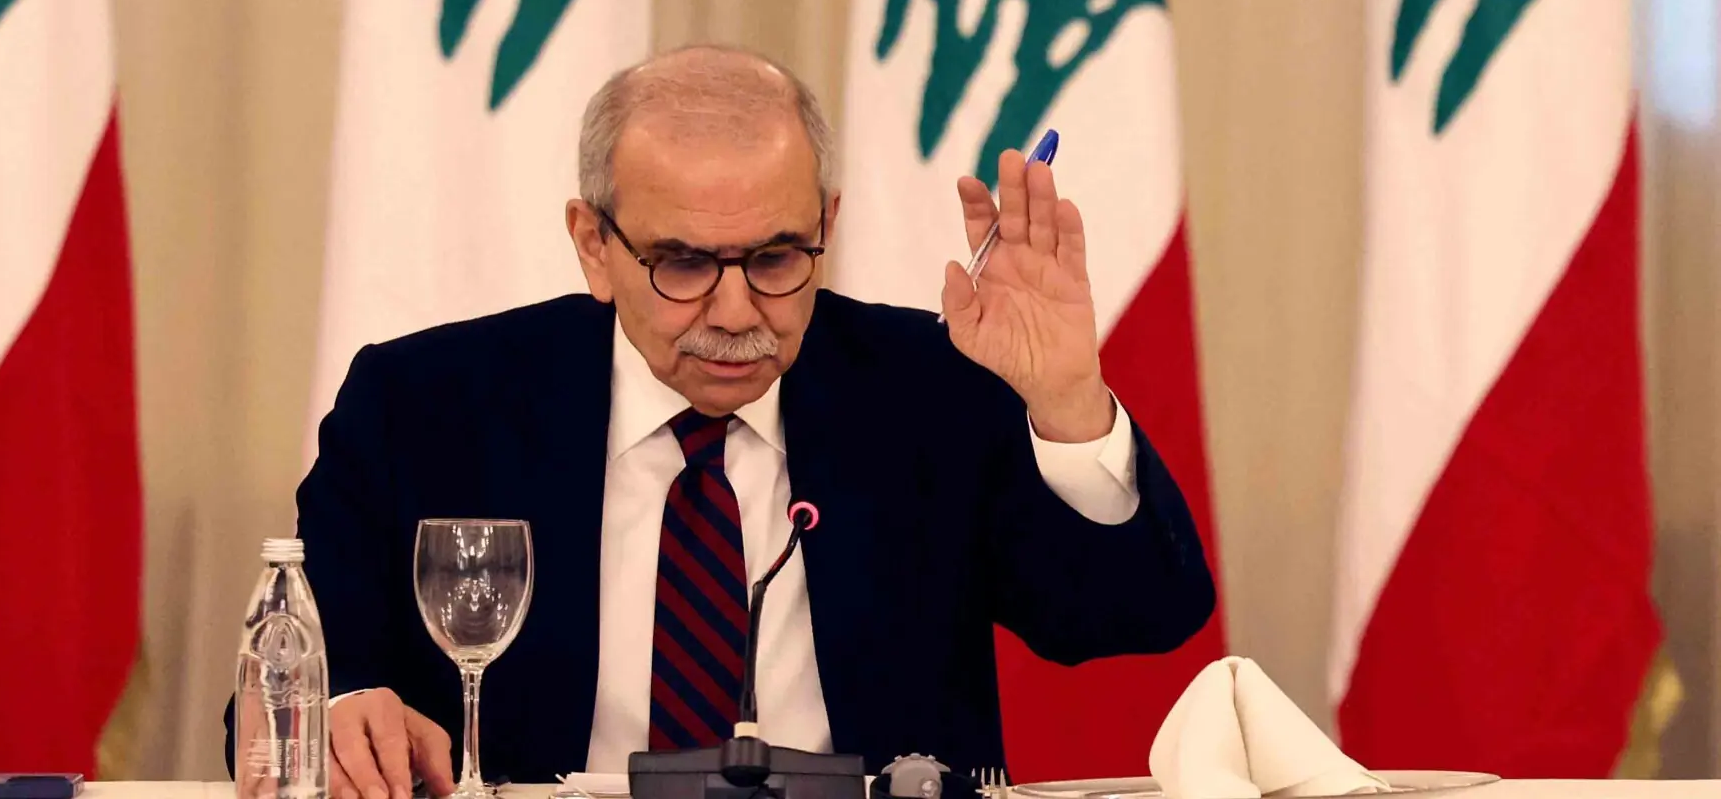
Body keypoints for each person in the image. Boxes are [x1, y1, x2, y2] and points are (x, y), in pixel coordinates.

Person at [257, 46, 1215, 798]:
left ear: (827, 224)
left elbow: (1134, 618)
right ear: (594, 246)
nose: (732, 312)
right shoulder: (425, 405)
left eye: (776, 257)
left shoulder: (933, 388)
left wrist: (1067, 401)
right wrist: (337, 712)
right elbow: (274, 703)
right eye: (680, 264)